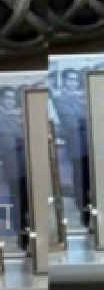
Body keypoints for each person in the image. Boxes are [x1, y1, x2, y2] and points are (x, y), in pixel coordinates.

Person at [0, 85, 30, 248]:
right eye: (7, 98)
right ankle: (21, 236)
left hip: (26, 164)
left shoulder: (19, 116)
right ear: (1, 99)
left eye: (13, 98)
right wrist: (22, 136)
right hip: (13, 166)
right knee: (18, 201)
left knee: (28, 201)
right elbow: (7, 142)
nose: (11, 101)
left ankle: (28, 235)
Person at [51, 68, 91, 227]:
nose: (73, 83)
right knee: (80, 177)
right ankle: (83, 211)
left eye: (75, 79)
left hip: (90, 143)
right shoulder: (60, 98)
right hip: (76, 145)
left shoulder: (84, 96)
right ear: (65, 81)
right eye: (70, 79)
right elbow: (71, 121)